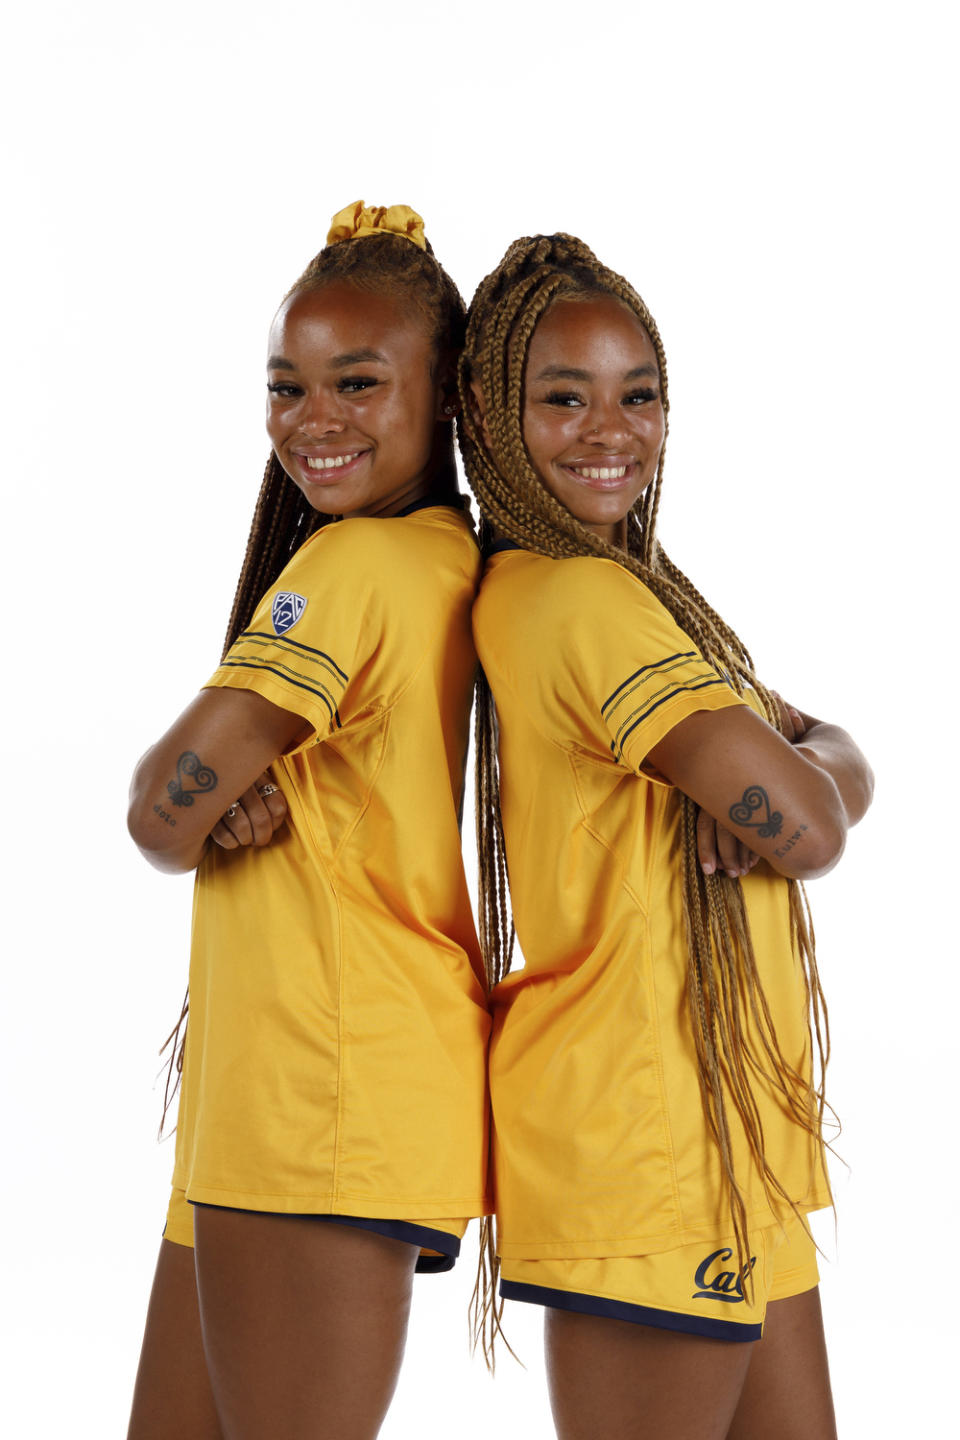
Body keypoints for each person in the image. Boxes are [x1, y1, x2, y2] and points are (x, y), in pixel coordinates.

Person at [459, 233, 873, 1439]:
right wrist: (806, 765)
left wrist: (809, 761)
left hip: (728, 1129)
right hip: (649, 1142)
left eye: (639, 395)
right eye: (563, 397)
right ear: (488, 415)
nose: (611, 431)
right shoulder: (584, 602)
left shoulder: (622, 592)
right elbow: (811, 821)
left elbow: (819, 767)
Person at [125, 202, 491, 1440]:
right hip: (292, 1098)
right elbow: (196, 800)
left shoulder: (349, 573)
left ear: (447, 398)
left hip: (315, 1099)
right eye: (287, 383)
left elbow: (155, 813)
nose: (310, 418)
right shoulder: (442, 554)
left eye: (357, 382)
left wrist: (206, 797)